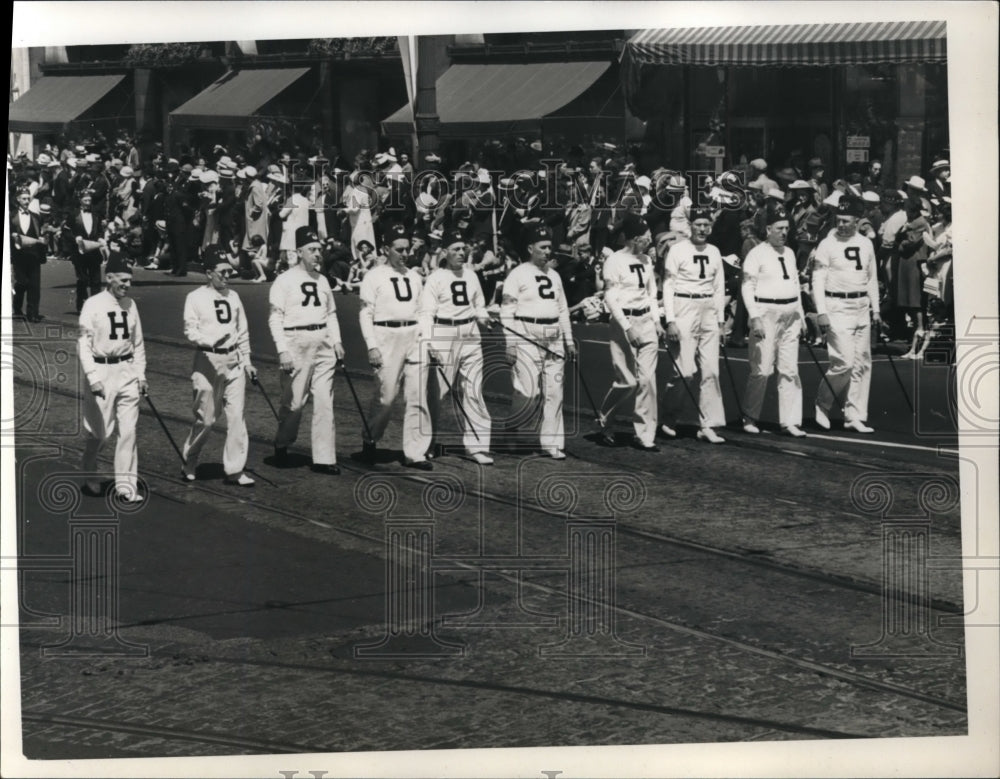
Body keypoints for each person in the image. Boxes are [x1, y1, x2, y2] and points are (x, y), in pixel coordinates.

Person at [268, 226, 346, 474]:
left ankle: (324, 458)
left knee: (324, 402)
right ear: (299, 251)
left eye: (319, 250)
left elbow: (331, 314)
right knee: (294, 404)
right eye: (312, 250)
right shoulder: (284, 280)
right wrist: (282, 350)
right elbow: (274, 318)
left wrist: (337, 342)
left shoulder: (323, 281)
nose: (317, 255)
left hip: (323, 341)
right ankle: (282, 443)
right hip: (296, 341)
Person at [179, 246, 258, 487]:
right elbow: (189, 330)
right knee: (207, 420)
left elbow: (242, 331)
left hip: (233, 362)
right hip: (207, 362)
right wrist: (210, 341)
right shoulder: (195, 297)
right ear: (208, 273)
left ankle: (235, 470)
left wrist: (248, 362)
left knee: (236, 417)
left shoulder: (234, 297)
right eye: (222, 272)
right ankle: (190, 459)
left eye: (229, 272)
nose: (226, 276)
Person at [418, 229, 494, 464]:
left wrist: (483, 317)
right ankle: (426, 442)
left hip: (470, 333)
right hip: (443, 332)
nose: (461, 253)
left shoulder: (471, 276)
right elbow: (426, 313)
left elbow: (479, 304)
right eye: (456, 250)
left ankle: (477, 446)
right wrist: (428, 341)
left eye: (464, 249)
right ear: (444, 253)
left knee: (474, 389)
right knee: (436, 393)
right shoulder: (435, 278)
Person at [358, 223, 432, 470]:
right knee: (386, 398)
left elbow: (422, 311)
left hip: (413, 336)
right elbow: (366, 313)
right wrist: (371, 346)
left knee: (417, 396)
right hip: (386, 336)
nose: (405, 254)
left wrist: (425, 337)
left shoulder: (414, 276)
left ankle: (415, 452)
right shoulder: (374, 276)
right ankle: (370, 439)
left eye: (407, 249)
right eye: (399, 249)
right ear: (386, 249)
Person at [500, 225, 577, 459]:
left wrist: (569, 341)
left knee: (555, 392)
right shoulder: (517, 274)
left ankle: (551, 443)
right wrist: (510, 342)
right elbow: (506, 310)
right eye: (542, 247)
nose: (547, 251)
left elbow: (563, 309)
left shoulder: (554, 276)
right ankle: (512, 430)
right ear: (530, 248)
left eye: (549, 247)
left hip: (553, 337)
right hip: (527, 337)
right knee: (528, 391)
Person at [78, 254, 148, 503]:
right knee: (101, 432)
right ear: (109, 278)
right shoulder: (93, 304)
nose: (127, 285)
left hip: (127, 371)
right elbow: (84, 344)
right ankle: (89, 471)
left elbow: (137, 343)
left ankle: (126, 486)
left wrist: (140, 375)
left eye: (130, 280)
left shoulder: (131, 305)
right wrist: (93, 377)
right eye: (123, 280)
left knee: (128, 431)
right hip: (102, 372)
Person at [812, 198, 881, 433]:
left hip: (861, 306)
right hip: (836, 306)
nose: (841, 225)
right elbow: (817, 279)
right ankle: (822, 405)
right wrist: (821, 311)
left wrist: (877, 309)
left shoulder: (865, 244)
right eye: (838, 220)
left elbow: (871, 277)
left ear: (856, 222)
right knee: (844, 362)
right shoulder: (826, 245)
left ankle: (854, 415)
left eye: (846, 221)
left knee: (862, 363)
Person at [595, 214, 663, 451]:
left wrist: (656, 320)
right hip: (624, 322)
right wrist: (627, 327)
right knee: (627, 381)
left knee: (647, 381)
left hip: (645, 320)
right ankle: (606, 421)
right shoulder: (614, 261)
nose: (650, 241)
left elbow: (651, 293)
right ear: (634, 239)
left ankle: (644, 434)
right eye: (646, 238)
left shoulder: (646, 259)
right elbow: (610, 297)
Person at [660, 207, 728, 444]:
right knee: (685, 370)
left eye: (706, 225)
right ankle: (668, 417)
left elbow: (719, 287)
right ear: (690, 225)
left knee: (711, 370)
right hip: (684, 306)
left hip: (708, 308)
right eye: (698, 224)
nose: (702, 229)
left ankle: (707, 424)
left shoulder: (715, 251)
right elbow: (668, 286)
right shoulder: (678, 250)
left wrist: (720, 321)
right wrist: (670, 320)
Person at [740, 205, 807, 437]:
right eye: (779, 228)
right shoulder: (756, 254)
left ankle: (789, 421)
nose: (784, 232)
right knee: (762, 369)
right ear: (768, 229)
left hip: (790, 316)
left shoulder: (789, 253)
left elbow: (795, 284)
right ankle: (750, 417)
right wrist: (754, 316)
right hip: (765, 314)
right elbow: (747, 286)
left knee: (789, 369)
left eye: (787, 228)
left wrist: (800, 313)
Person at [10, 186, 47, 321]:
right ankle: (17, 307)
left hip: (34, 255)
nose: (26, 201)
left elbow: (41, 234)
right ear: (18, 199)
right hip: (18, 255)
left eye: (28, 199)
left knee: (34, 285)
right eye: (24, 199)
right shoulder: (11, 215)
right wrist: (11, 235)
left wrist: (43, 240)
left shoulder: (36, 217)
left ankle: (33, 314)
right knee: (22, 283)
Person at [69, 189, 106, 313]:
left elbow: (100, 229)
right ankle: (81, 304)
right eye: (85, 200)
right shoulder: (73, 214)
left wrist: (101, 237)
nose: (87, 203)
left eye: (89, 200)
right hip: (79, 253)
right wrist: (75, 238)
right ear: (80, 201)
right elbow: (66, 231)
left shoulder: (96, 214)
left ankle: (96, 306)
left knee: (96, 280)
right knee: (83, 279)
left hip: (94, 251)